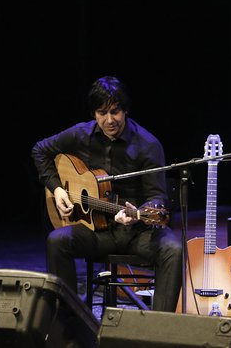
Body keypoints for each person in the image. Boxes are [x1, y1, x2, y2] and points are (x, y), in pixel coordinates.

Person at [31, 76, 183, 312]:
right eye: (102, 112)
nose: (109, 120)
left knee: (172, 249)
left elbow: (157, 197)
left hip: (136, 232)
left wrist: (139, 213)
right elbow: (40, 150)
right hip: (96, 232)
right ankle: (70, 324)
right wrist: (57, 189)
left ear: (126, 111)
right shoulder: (80, 135)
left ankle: (158, 330)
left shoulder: (148, 145)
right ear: (94, 113)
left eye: (115, 111)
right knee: (57, 241)